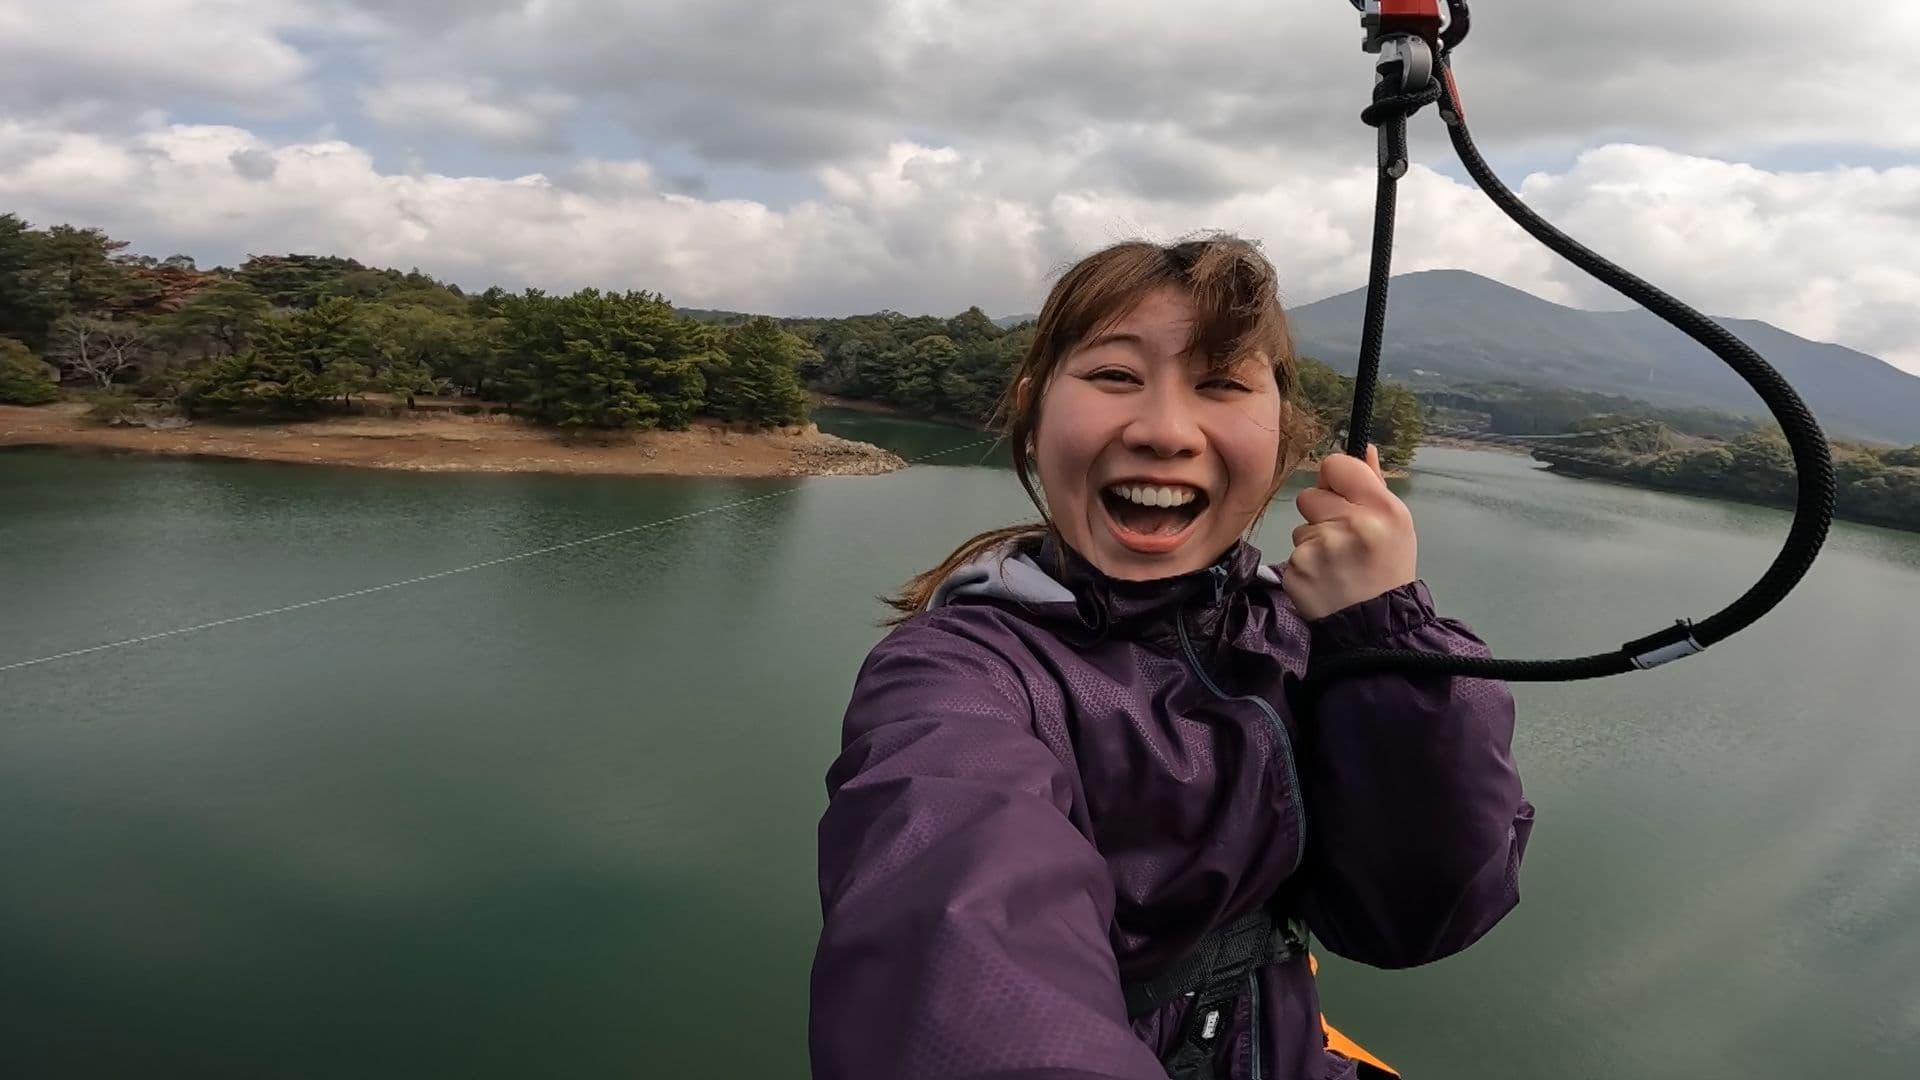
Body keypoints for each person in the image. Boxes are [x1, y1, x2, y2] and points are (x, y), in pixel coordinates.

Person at [809, 234, 1533, 1080]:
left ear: (1287, 436)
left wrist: (1384, 636)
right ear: (1033, 411)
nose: (1163, 431)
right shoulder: (958, 672)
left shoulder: (1300, 642)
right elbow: (956, 920)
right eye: (1114, 376)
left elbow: (1419, 917)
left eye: (1223, 384)